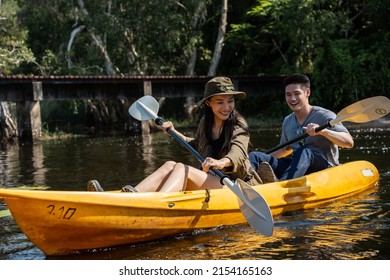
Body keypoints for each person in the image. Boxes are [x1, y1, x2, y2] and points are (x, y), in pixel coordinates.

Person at [88, 76, 262, 192]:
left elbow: (237, 154)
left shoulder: (239, 125)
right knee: (171, 164)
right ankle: (130, 196)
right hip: (215, 180)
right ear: (209, 103)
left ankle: (159, 205)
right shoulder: (205, 123)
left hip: (237, 186)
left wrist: (220, 162)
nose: (226, 107)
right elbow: (195, 146)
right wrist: (174, 133)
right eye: (220, 102)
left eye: (230, 101)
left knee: (182, 168)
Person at [249, 73, 354, 182]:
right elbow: (284, 150)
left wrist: (323, 131)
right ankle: (245, 184)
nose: (292, 99)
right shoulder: (288, 121)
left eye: (297, 93)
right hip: (298, 166)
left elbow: (349, 142)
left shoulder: (325, 116)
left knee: (305, 151)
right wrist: (261, 157)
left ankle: (283, 184)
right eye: (288, 95)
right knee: (255, 156)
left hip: (325, 167)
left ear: (307, 92)